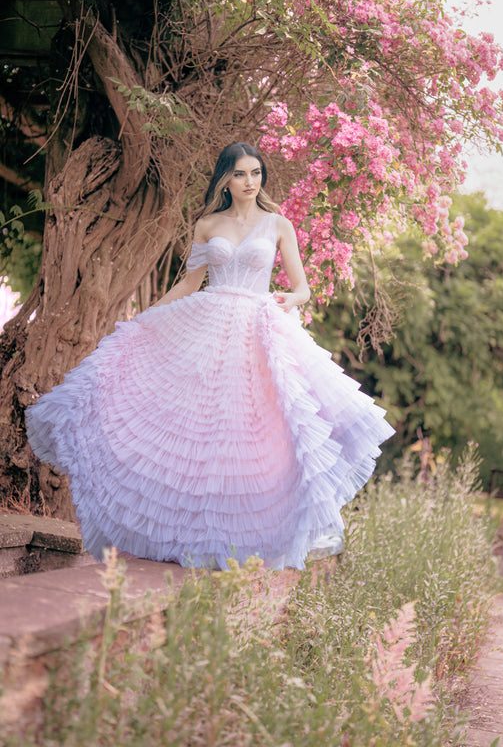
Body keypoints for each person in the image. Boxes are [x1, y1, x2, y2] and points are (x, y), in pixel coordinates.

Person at [26, 142, 394, 570]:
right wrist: (144, 319)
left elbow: (303, 288)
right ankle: (185, 537)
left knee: (249, 427)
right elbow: (189, 283)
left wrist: (290, 299)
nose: (250, 182)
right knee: (193, 428)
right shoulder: (207, 224)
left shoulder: (278, 224)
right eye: (240, 174)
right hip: (206, 325)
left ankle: (241, 540)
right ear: (225, 179)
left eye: (256, 173)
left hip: (256, 328)